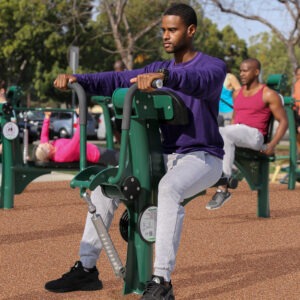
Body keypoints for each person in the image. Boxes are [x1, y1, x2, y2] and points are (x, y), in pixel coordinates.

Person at [44, 3, 226, 299]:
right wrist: (80, 79)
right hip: (164, 158)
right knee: (107, 187)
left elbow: (200, 83)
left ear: (190, 31)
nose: (166, 36)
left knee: (168, 188)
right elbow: (116, 79)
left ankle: (162, 282)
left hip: (203, 157)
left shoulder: (212, 67)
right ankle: (87, 269)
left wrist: (165, 79)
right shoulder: (158, 67)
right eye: (163, 30)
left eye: (173, 30)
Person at [206, 58, 288, 210]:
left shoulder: (268, 94)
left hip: (256, 136)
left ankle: (223, 187)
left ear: (256, 72)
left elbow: (283, 121)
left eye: (245, 71)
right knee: (215, 133)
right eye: (240, 71)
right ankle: (212, 177)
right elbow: (235, 121)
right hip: (238, 133)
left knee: (222, 132)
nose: (241, 74)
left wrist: (272, 145)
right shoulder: (237, 94)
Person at [33, 110, 119, 166]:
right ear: (48, 152)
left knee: (118, 158)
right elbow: (77, 139)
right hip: (95, 154)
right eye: (45, 145)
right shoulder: (61, 155)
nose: (46, 143)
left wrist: (47, 117)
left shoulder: (49, 148)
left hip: (92, 148)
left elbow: (44, 135)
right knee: (121, 159)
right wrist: (80, 117)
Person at [292, 66, 300, 156]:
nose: (299, 76)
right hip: (296, 112)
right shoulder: (296, 85)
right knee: (297, 134)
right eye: (297, 74)